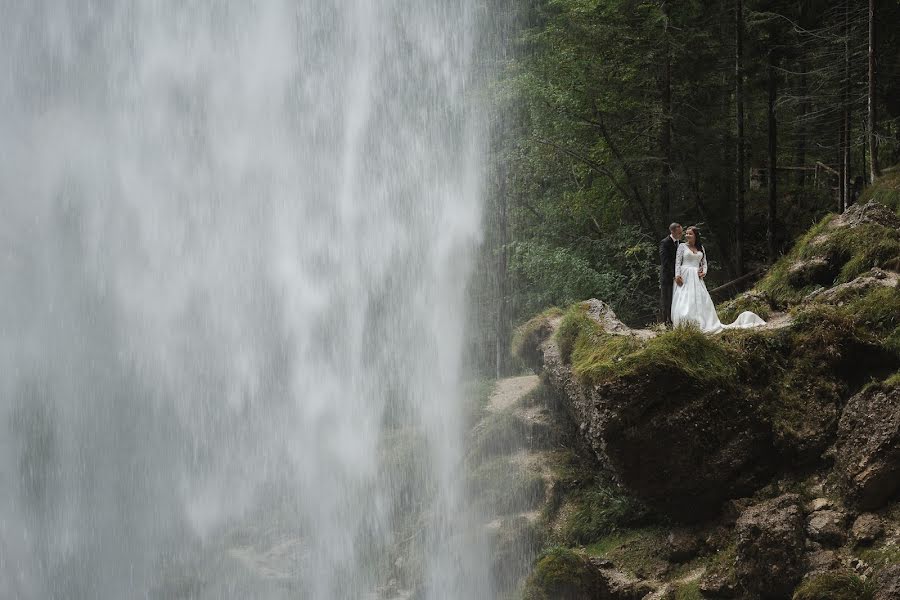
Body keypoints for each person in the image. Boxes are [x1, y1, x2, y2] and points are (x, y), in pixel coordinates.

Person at [671, 226, 766, 334]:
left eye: (690, 234)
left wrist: (704, 272)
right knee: (685, 298)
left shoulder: (701, 247)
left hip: (697, 277)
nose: (687, 235)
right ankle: (686, 322)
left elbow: (704, 263)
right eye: (686, 233)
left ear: (695, 235)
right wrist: (677, 275)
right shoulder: (682, 246)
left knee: (700, 299)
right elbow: (677, 262)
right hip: (685, 275)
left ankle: (703, 322)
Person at [659, 222, 683, 326]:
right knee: (667, 299)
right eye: (679, 232)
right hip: (668, 276)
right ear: (672, 231)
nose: (681, 234)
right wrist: (674, 274)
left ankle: (675, 320)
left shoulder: (681, 243)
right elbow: (665, 261)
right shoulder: (665, 242)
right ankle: (666, 322)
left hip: (679, 276)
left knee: (676, 299)